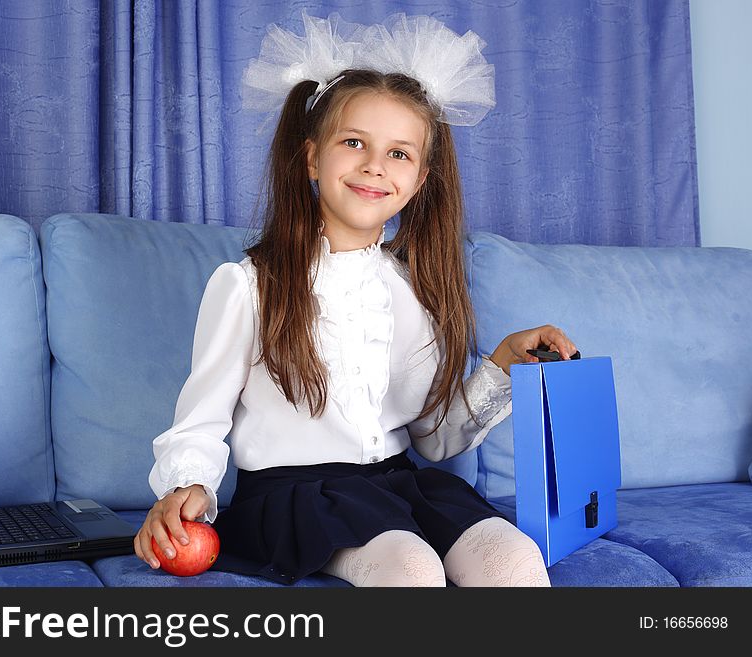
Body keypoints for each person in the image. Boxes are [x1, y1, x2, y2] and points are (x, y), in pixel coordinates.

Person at [134, 13, 577, 587]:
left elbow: (435, 440)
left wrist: (500, 368)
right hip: (294, 496)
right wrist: (185, 485)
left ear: (419, 179)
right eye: (353, 143)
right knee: (411, 567)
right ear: (313, 158)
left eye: (400, 153)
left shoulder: (414, 288)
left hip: (396, 485)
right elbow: (200, 421)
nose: (374, 165)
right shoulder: (247, 284)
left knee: (515, 558)